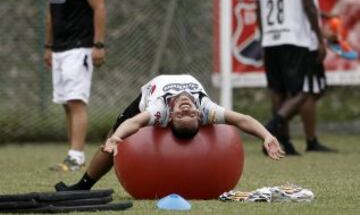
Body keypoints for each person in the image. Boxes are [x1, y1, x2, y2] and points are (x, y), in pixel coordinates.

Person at [54, 74, 284, 191]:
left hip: (143, 99)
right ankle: (84, 185)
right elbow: (242, 120)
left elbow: (134, 123)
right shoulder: (206, 109)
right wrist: (266, 135)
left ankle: (83, 185)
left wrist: (116, 137)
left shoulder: (159, 110)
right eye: (190, 114)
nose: (187, 110)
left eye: (183, 115)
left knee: (114, 137)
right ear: (199, 116)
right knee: (115, 137)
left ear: (170, 117)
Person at [253, 0, 326, 155]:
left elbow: (258, 8)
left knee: (277, 90)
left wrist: (264, 37)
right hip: (295, 36)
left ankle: (282, 141)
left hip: (271, 37)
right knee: (302, 91)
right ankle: (272, 127)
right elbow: (308, 5)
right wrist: (320, 37)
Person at [44, 0, 106, 171]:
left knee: (76, 101)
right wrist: (48, 46)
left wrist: (99, 44)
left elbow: (99, 7)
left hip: (79, 47)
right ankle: (72, 154)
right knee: (66, 103)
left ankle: (77, 156)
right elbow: (50, 12)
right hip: (58, 48)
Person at [290, 0, 337, 153]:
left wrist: (321, 15)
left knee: (313, 90)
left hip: (302, 38)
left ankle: (279, 125)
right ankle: (308, 139)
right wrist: (322, 37)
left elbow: (307, 6)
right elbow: (306, 8)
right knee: (307, 91)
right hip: (305, 41)